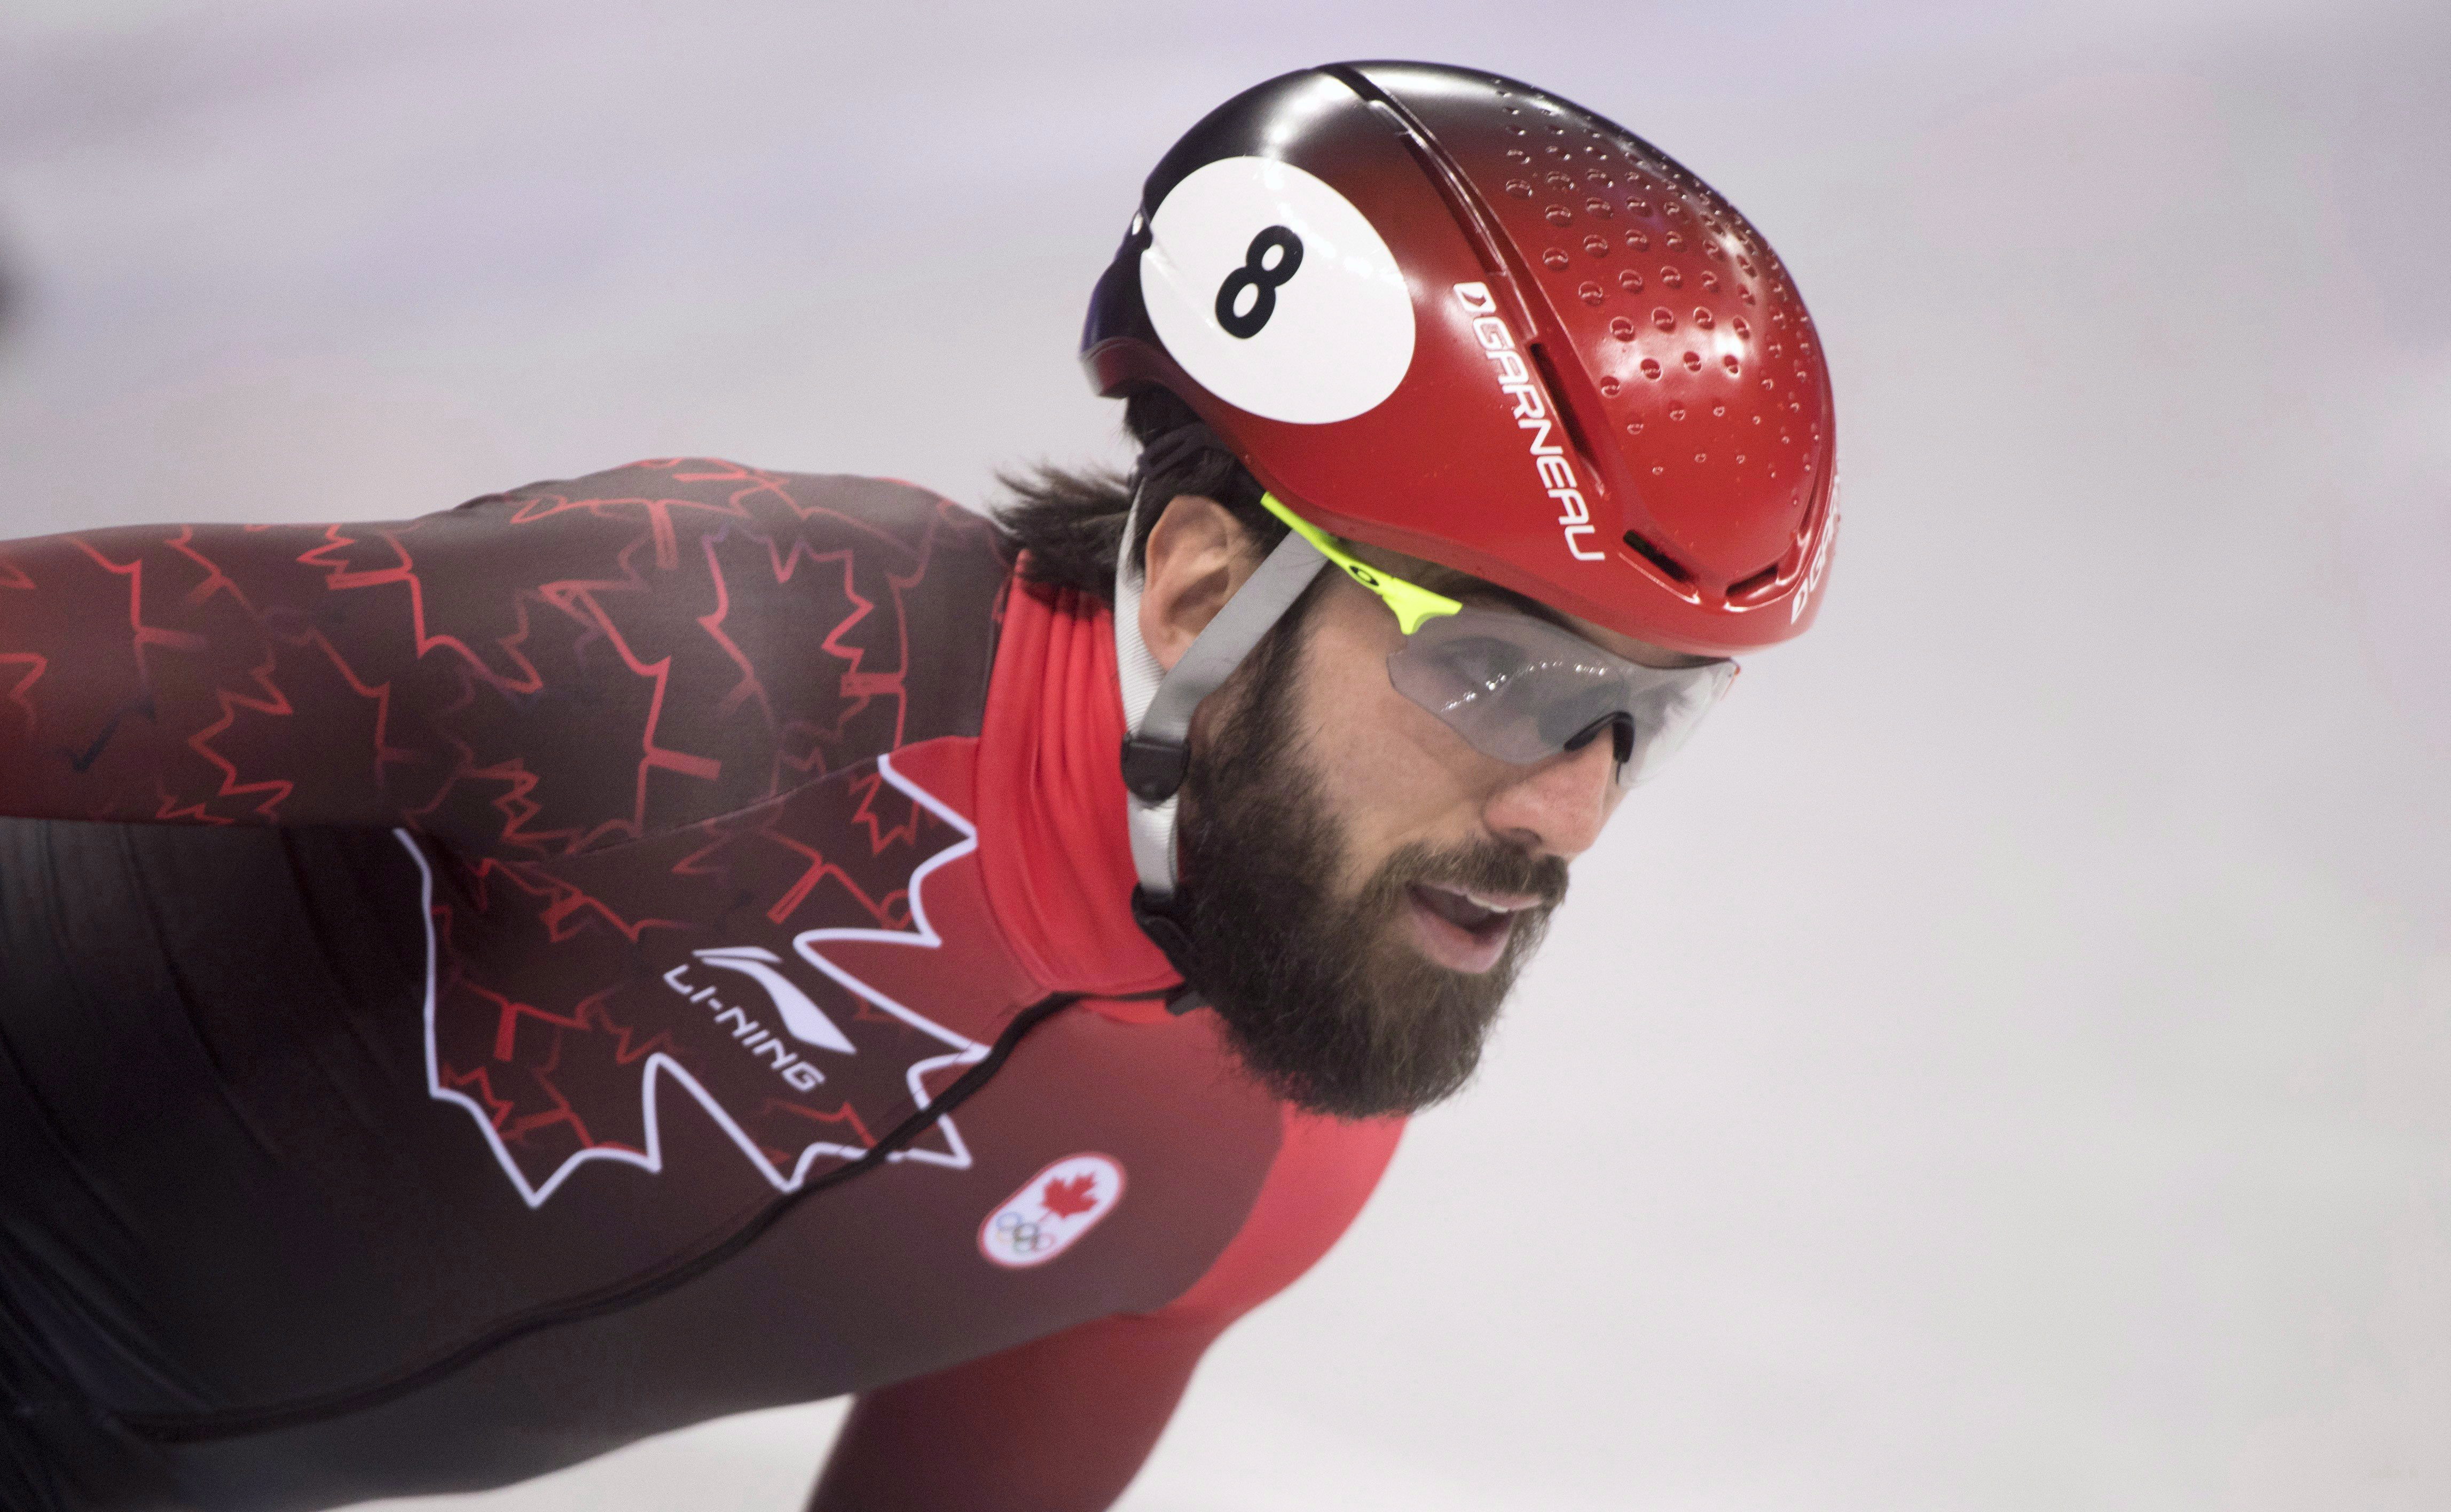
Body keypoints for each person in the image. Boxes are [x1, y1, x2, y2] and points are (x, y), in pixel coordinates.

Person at [0, 60, 1837, 1512]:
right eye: (1505, 677)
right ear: (1204, 587)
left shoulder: (1287, 1133)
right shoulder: (706, 653)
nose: (1575, 813)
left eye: (1643, 718)